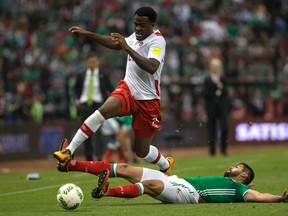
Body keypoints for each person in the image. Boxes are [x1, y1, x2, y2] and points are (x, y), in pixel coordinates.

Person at [54, 6, 174, 175]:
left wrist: (127, 48)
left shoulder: (157, 40)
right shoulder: (135, 36)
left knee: (141, 151)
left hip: (148, 100)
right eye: (135, 24)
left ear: (152, 24)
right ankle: (69, 151)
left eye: (142, 25)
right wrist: (88, 34)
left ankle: (165, 164)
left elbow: (152, 66)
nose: (138, 28)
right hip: (128, 90)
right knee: (102, 111)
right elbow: (116, 43)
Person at [57, 139, 288, 204]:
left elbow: (257, 197)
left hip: (189, 194)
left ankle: (105, 192)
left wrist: (278, 198)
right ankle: (70, 165)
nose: (232, 167)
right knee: (126, 168)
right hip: (179, 180)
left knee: (151, 187)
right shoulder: (238, 184)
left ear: (244, 176)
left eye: (237, 167)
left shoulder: (239, 189)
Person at [73, 52, 115, 161]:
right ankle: (89, 158)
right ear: (86, 62)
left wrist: (109, 102)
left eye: (94, 61)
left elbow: (110, 88)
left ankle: (100, 157)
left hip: (98, 105)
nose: (92, 63)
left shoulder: (103, 74)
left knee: (98, 133)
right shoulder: (81, 75)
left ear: (98, 62)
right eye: (90, 61)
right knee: (85, 132)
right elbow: (75, 88)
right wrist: (77, 99)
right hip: (84, 105)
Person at [203, 58, 230, 156]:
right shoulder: (207, 79)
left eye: (217, 67)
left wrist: (219, 85)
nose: (215, 68)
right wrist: (215, 90)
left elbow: (227, 91)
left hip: (222, 107)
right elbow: (205, 93)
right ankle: (212, 150)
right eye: (214, 67)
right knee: (211, 128)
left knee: (225, 127)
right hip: (211, 107)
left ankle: (224, 149)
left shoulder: (223, 78)